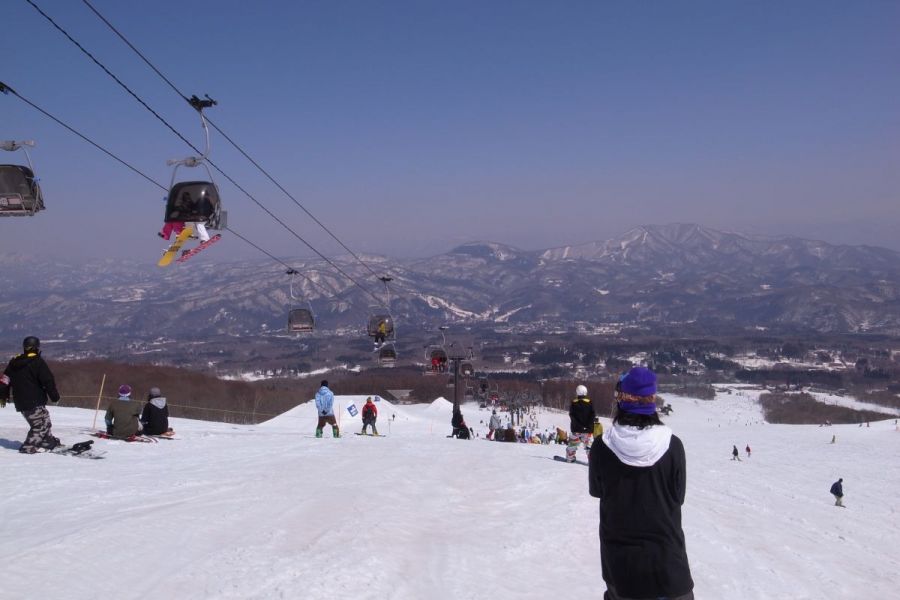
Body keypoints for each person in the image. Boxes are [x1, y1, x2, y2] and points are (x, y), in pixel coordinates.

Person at [589, 366, 694, 600]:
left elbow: (597, 491)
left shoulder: (602, 446)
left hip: (621, 572)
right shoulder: (672, 445)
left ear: (621, 400)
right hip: (670, 570)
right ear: (652, 401)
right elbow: (678, 498)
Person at [0, 336, 62, 453]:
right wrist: (55, 397)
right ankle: (28, 447)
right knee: (38, 425)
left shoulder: (14, 362)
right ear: (36, 347)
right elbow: (48, 380)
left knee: (45, 421)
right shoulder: (37, 362)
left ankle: (47, 441)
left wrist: (3, 394)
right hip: (34, 401)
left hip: (21, 401)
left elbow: (4, 380)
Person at [567, 384, 595, 463]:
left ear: (577, 392)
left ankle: (570, 458)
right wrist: (588, 426)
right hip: (587, 430)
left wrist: (577, 425)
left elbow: (572, 415)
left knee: (572, 445)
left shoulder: (574, 403)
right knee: (589, 447)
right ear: (585, 392)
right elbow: (592, 416)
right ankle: (592, 462)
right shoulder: (589, 402)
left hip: (576, 430)